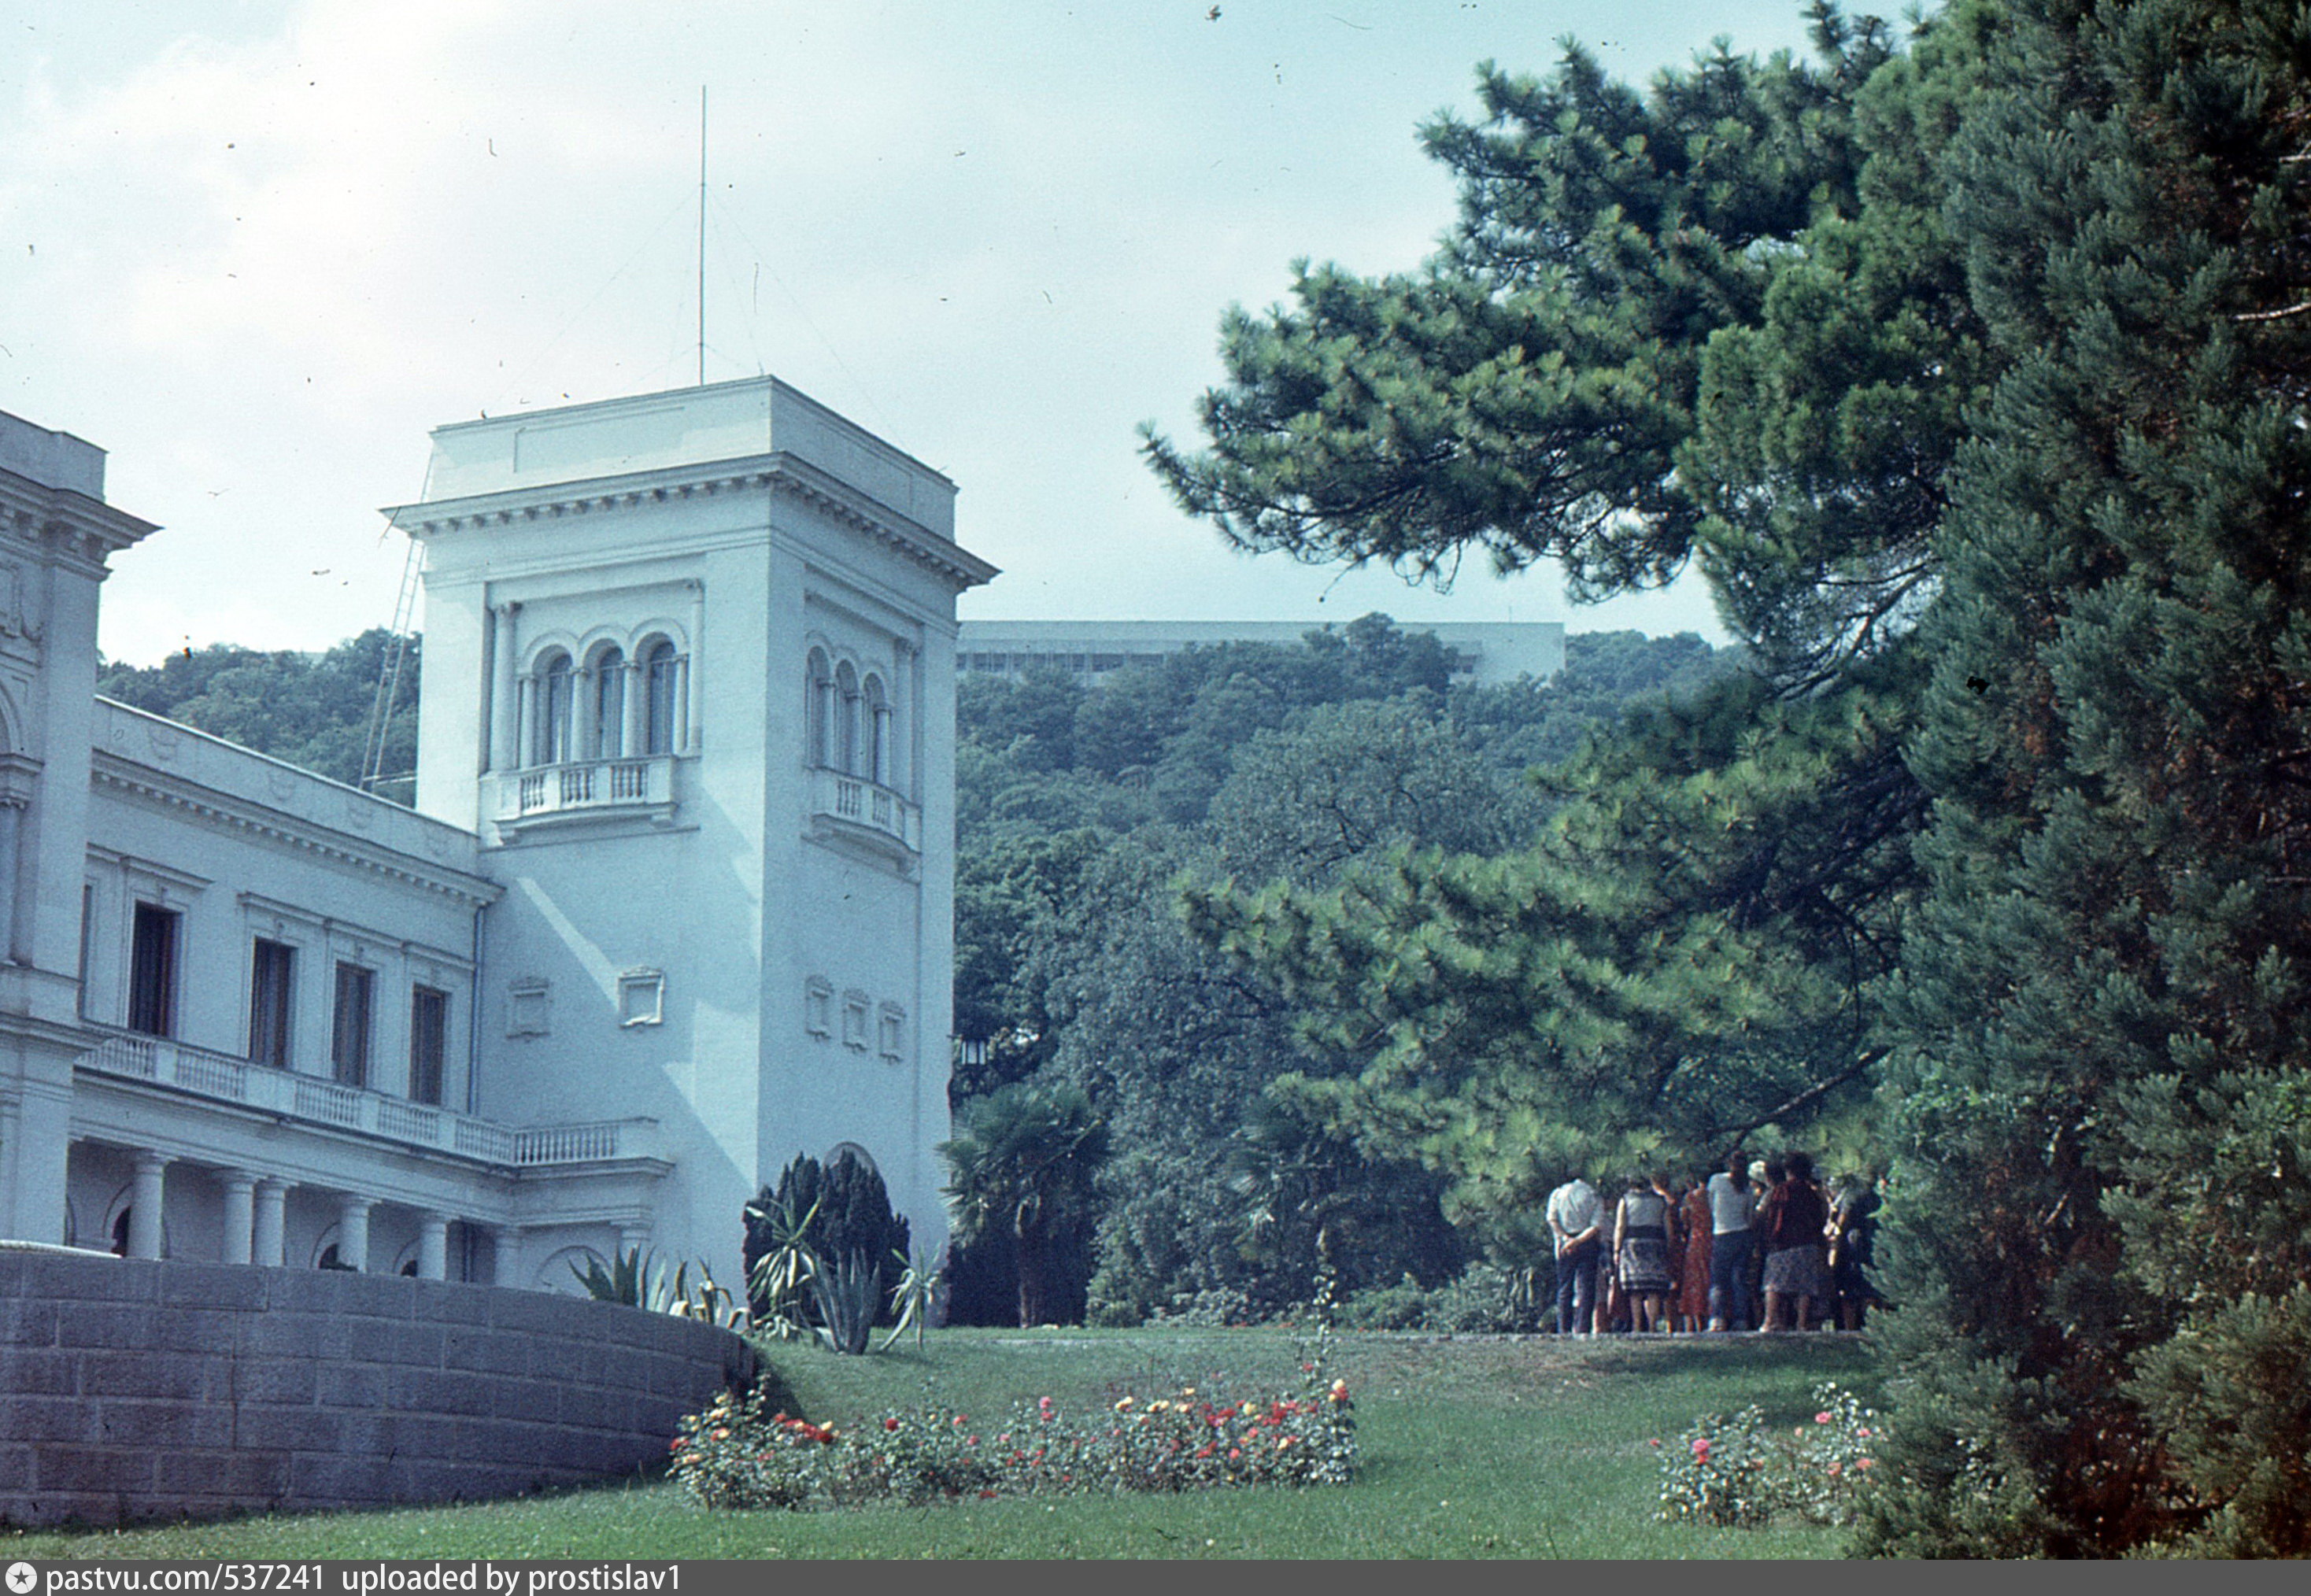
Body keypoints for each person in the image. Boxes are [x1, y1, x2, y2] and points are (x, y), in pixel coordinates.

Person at [1760, 1150, 1831, 1332]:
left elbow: (1769, 1214)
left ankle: (1769, 1321)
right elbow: (1822, 1215)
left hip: (1782, 1243)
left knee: (1774, 1283)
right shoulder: (1812, 1192)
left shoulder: (1781, 1190)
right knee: (1805, 1286)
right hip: (1807, 1242)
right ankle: (1801, 1322)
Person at [1614, 1173, 1674, 1333]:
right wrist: (1669, 1245)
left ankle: (1637, 1325)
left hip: (1633, 1245)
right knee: (1653, 1288)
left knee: (1635, 1289)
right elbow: (1668, 1226)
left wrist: (1617, 1249)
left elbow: (1621, 1226)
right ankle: (1653, 1326)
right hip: (1655, 1244)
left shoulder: (1626, 1200)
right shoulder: (1660, 1201)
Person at [1546, 1171, 1603, 1336]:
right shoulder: (1593, 1194)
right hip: (1587, 1242)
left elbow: (1552, 1219)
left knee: (1565, 1287)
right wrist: (1578, 1241)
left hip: (1565, 1243)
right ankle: (1582, 1328)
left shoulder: (1558, 1193)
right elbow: (1596, 1225)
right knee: (1586, 1287)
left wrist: (1565, 1238)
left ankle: (1564, 1328)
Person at [1705, 1151, 1755, 1332]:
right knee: (1739, 1279)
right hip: (1742, 1233)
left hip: (1722, 1233)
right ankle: (1740, 1319)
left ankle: (1717, 1318)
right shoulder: (1748, 1187)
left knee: (1719, 1279)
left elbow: (1711, 1205)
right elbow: (1749, 1216)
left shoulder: (1717, 1180)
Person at [1828, 1166, 1882, 1332]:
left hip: (1852, 1247)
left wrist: (1835, 1236)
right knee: (1870, 1289)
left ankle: (1850, 1327)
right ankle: (1871, 1326)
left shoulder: (1851, 1198)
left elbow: (1843, 1222)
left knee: (1849, 1290)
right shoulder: (1877, 1198)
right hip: (1872, 1245)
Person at [1678, 1172, 1713, 1334]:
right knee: (1710, 1278)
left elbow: (1684, 1220)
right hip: (1713, 1239)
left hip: (1696, 1239)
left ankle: (1695, 1319)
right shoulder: (1715, 1195)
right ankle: (1712, 1316)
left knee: (1695, 1279)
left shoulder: (1691, 1197)